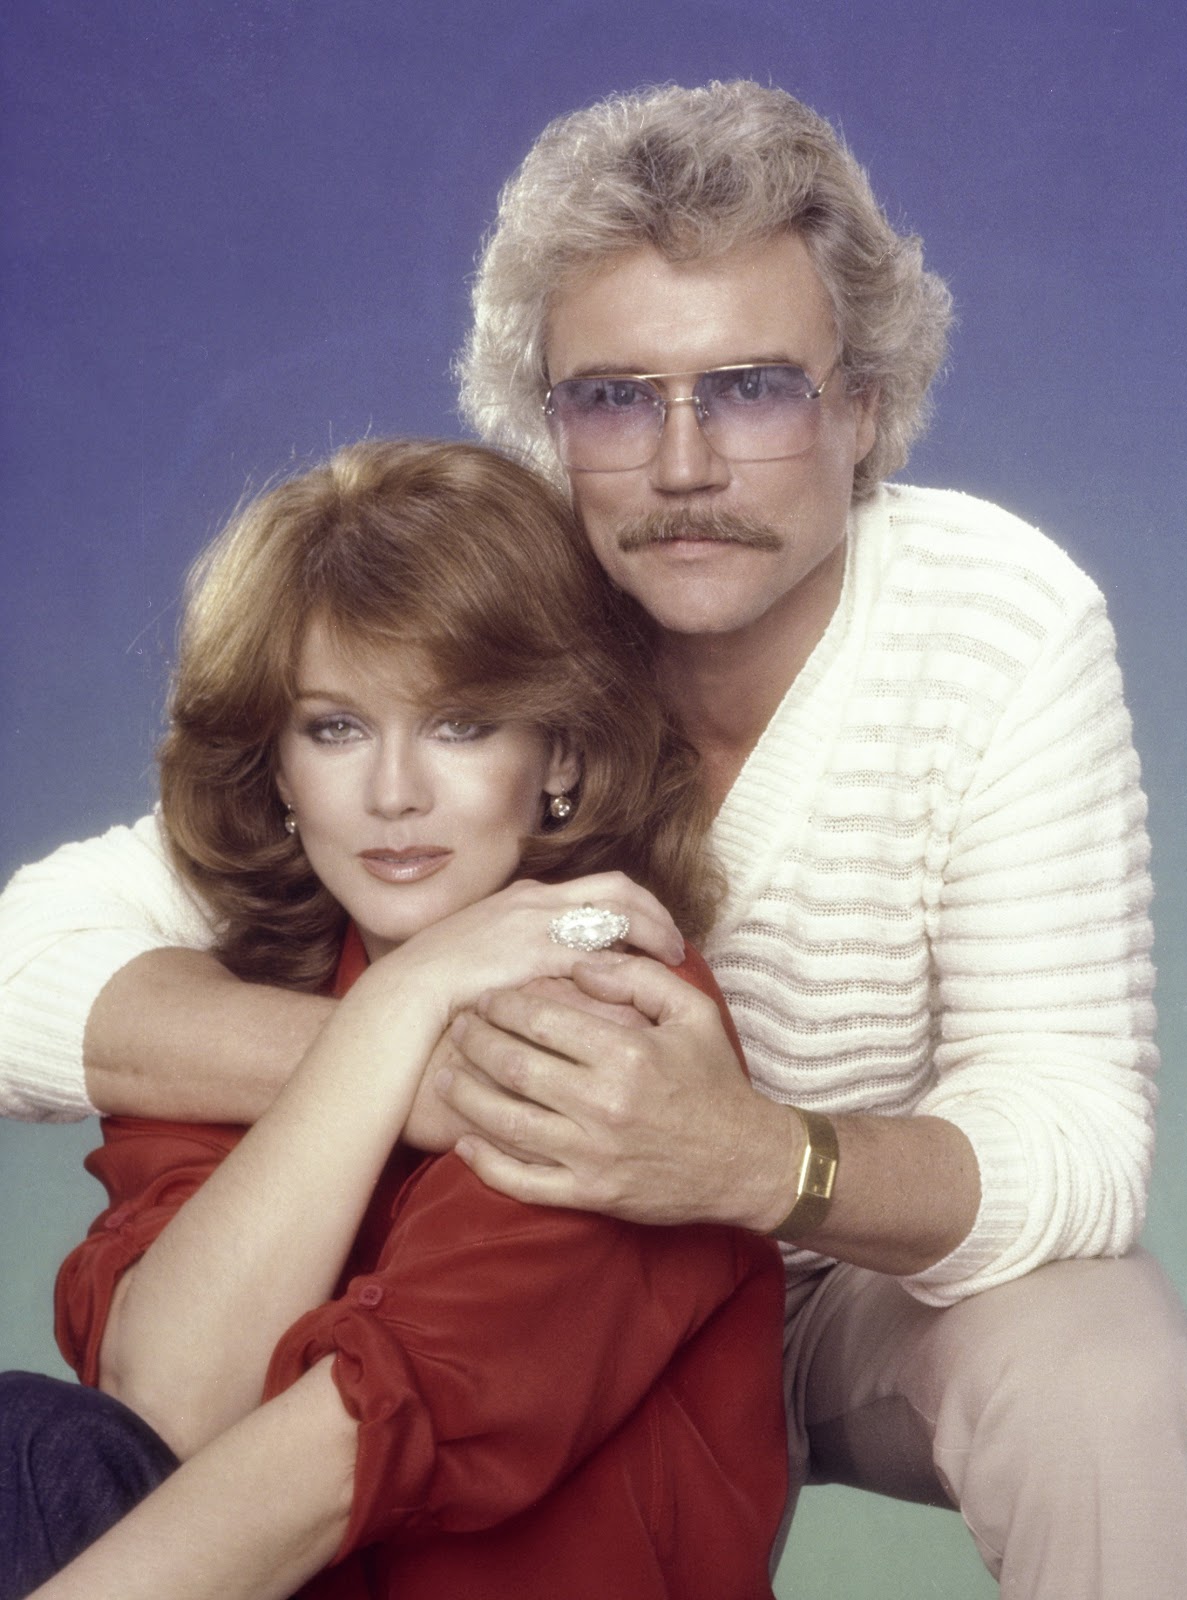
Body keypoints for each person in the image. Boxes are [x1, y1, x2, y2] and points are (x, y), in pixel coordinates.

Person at [2, 79, 1187, 1597]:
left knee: (1100, 1365)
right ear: (545, 423)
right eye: (616, 398)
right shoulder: (488, 630)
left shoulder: (1002, 624)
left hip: (853, 1277)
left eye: (752, 386)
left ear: (865, 407)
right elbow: (29, 964)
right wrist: (417, 1059)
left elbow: (1076, 1141)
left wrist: (747, 1158)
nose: (682, 464)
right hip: (503, 1257)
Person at [3, 437, 788, 1599]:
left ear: (558, 751)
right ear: (275, 773)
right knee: (28, 1444)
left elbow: (340, 1450)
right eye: (334, 728)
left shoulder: (621, 1029)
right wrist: (397, 1010)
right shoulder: (247, 1010)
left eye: (461, 725)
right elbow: (164, 1395)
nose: (392, 793)